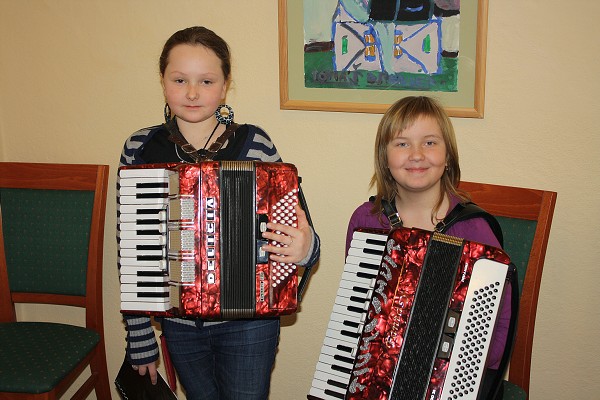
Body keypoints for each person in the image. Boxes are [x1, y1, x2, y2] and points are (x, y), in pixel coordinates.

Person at [119, 26, 320, 400]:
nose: (192, 93)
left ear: (225, 85)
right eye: (179, 79)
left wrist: (305, 248)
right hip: (178, 324)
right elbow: (131, 250)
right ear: (163, 81)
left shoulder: (254, 143)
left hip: (250, 325)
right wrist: (139, 334)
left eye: (206, 81)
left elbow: (303, 233)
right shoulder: (141, 148)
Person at [345, 96, 511, 399]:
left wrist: (458, 377)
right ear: (384, 158)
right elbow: (358, 311)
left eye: (430, 143)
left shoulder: (475, 231)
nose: (417, 155)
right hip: (379, 379)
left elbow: (498, 330)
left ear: (448, 156)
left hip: (454, 386)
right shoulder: (367, 221)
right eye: (402, 144)